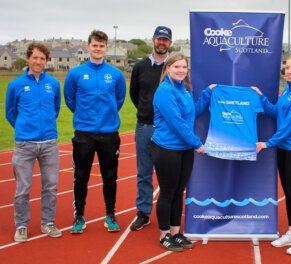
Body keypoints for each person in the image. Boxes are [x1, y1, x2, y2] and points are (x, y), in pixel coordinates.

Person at [64, 30, 126, 234]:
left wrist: (105, 118)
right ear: (88, 46)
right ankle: (79, 217)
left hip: (109, 134)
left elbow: (118, 100)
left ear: (106, 48)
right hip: (84, 134)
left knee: (110, 177)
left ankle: (110, 215)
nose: (98, 49)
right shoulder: (75, 74)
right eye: (94, 45)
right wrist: (85, 117)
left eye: (101, 46)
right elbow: (71, 100)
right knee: (81, 177)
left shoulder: (116, 74)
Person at [151, 53, 213, 251]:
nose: (180, 70)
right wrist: (197, 143)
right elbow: (176, 122)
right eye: (176, 66)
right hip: (167, 148)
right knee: (167, 192)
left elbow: (193, 112)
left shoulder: (184, 90)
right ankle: (164, 235)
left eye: (184, 67)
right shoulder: (164, 91)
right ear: (168, 68)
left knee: (179, 192)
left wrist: (207, 94)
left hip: (185, 149)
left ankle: (176, 233)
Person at [253, 54, 291, 256]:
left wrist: (268, 143)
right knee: (288, 191)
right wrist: (260, 97)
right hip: (284, 148)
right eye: (287, 68)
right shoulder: (288, 90)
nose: (289, 71)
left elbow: (288, 126)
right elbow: (275, 113)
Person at [5, 43, 62, 242]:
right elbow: (10, 113)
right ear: (28, 58)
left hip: (49, 143)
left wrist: (44, 128)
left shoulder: (53, 84)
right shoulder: (16, 85)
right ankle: (21, 225)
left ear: (46, 61)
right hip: (24, 144)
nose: (39, 62)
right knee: (23, 187)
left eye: (42, 59)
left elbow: (55, 109)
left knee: (51, 186)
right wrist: (24, 128)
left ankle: (48, 222)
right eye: (35, 58)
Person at [129, 26, 172, 231]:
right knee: (144, 172)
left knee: (169, 174)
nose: (162, 42)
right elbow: (134, 95)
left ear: (170, 43)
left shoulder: (175, 66)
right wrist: (147, 112)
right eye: (159, 39)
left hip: (169, 130)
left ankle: (170, 213)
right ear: (153, 40)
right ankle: (143, 212)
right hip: (145, 126)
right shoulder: (140, 66)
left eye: (165, 40)